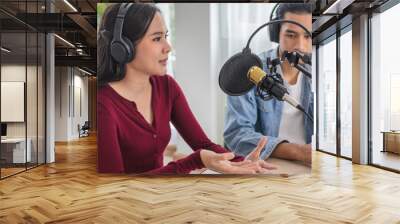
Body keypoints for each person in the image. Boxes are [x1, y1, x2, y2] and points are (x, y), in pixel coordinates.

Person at [97, 3, 276, 174]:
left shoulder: (166, 86)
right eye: (157, 38)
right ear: (122, 47)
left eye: (165, 37)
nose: (168, 47)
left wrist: (240, 162)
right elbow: (114, 187)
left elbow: (203, 144)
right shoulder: (103, 105)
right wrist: (194, 161)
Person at [224, 3, 313, 165]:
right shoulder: (250, 71)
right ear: (276, 33)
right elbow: (237, 134)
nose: (300, 45)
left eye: (308, 36)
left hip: (311, 164)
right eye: (291, 35)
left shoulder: (321, 71)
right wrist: (299, 152)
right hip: (265, 163)